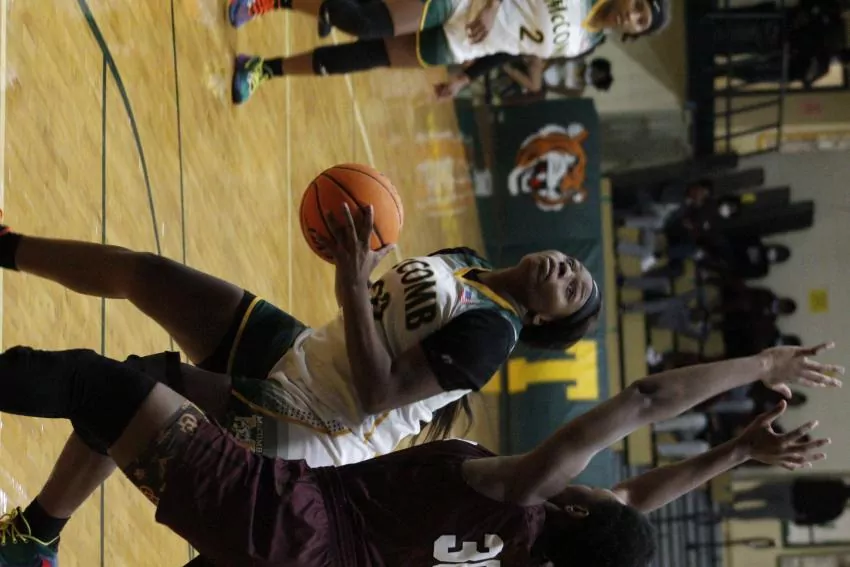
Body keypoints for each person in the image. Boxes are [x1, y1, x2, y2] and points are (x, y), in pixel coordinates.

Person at [0, 209, 601, 560]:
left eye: (572, 290)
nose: (567, 271)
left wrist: (351, 283)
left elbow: (379, 392)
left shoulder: (493, 334)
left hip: (317, 421)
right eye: (575, 266)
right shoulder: (468, 261)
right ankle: (6, 246)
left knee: (132, 386)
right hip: (303, 355)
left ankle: (36, 536)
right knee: (148, 274)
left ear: (545, 320)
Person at [0, 338, 839, 565]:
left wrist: (763, 365)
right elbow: (635, 505)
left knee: (98, 387)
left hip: (292, 525)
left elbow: (644, 401)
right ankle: (32, 540)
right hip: (297, 553)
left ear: (579, 507)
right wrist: (732, 454)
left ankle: (33, 539)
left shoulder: (524, 492)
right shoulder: (539, 554)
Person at [227, 0, 670, 104]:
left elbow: (516, 48)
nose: (632, 17)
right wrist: (493, 6)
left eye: (640, 22)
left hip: (465, 42)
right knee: (363, 20)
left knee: (361, 56)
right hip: (466, 4)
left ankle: (262, 68)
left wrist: (466, 77)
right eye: (638, 7)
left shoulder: (587, 43)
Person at [722, 476, 850, 525]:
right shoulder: (837, 509)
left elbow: (813, 478)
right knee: (758, 511)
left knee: (757, 493)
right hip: (793, 505)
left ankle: (728, 501)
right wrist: (799, 521)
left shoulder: (836, 483)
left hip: (792, 491)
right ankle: (728, 511)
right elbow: (816, 519)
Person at [497, 56, 614, 103]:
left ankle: (507, 69)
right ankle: (507, 68)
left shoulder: (578, 90)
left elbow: (554, 89)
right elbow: (555, 58)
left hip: (543, 82)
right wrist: (543, 68)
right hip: (543, 64)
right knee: (534, 85)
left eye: (597, 78)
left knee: (535, 89)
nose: (595, 75)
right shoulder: (578, 59)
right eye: (597, 72)